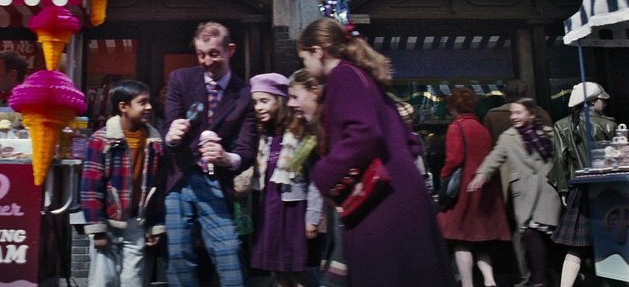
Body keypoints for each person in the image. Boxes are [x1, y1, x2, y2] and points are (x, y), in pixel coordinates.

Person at [297, 18, 455, 287]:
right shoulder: (363, 76)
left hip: (382, 204)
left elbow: (363, 133)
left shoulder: (343, 76)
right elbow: (409, 140)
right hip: (400, 195)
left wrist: (323, 175)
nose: (306, 67)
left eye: (304, 59)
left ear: (317, 51)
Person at [162, 21, 257, 287]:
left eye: (214, 54)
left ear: (230, 50)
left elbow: (246, 151)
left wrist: (226, 158)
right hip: (180, 178)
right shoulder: (181, 79)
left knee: (228, 250)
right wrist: (171, 134)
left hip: (216, 181)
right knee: (178, 253)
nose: (206, 61)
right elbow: (169, 126)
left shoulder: (245, 95)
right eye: (201, 54)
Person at [469, 98, 563, 287]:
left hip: (547, 192)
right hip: (525, 194)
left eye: (518, 112)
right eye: (512, 113)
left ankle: (549, 279)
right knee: (531, 233)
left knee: (544, 237)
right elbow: (495, 157)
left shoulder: (549, 134)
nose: (513, 117)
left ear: (531, 114)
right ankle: (541, 281)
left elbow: (562, 158)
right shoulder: (508, 137)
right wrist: (481, 174)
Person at [80, 79, 165, 287]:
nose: (149, 107)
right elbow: (91, 187)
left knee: (133, 280)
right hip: (108, 221)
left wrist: (155, 225)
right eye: (142, 102)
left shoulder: (153, 142)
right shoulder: (102, 140)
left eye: (149, 102)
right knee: (103, 279)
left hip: (137, 222)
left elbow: (157, 188)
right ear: (123, 107)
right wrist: (97, 228)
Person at [249, 72, 322, 287]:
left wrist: (313, 217)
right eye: (255, 102)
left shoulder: (301, 135)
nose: (258, 107)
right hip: (270, 208)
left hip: (293, 211)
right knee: (276, 269)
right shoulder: (265, 136)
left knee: (297, 270)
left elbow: (315, 180)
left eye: (264, 101)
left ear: (280, 101)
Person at [437, 87, 511, 287]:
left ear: (453, 107)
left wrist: (444, 176)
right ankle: (489, 280)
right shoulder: (481, 128)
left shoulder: (456, 127)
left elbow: (454, 159)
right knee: (480, 239)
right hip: (485, 189)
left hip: (464, 190)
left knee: (461, 240)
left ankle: (467, 284)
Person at [482, 79, 552, 286]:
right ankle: (546, 274)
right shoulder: (539, 112)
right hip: (541, 177)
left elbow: (490, 150)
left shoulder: (493, 115)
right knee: (542, 227)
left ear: (505, 94)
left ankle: (524, 274)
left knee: (518, 228)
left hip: (509, 178)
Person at [549, 82, 617, 287]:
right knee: (611, 241)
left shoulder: (561, 125)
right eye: (602, 99)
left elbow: (560, 160)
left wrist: (563, 189)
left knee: (576, 246)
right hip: (609, 189)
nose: (605, 103)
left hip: (579, 190)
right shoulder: (610, 125)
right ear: (592, 101)